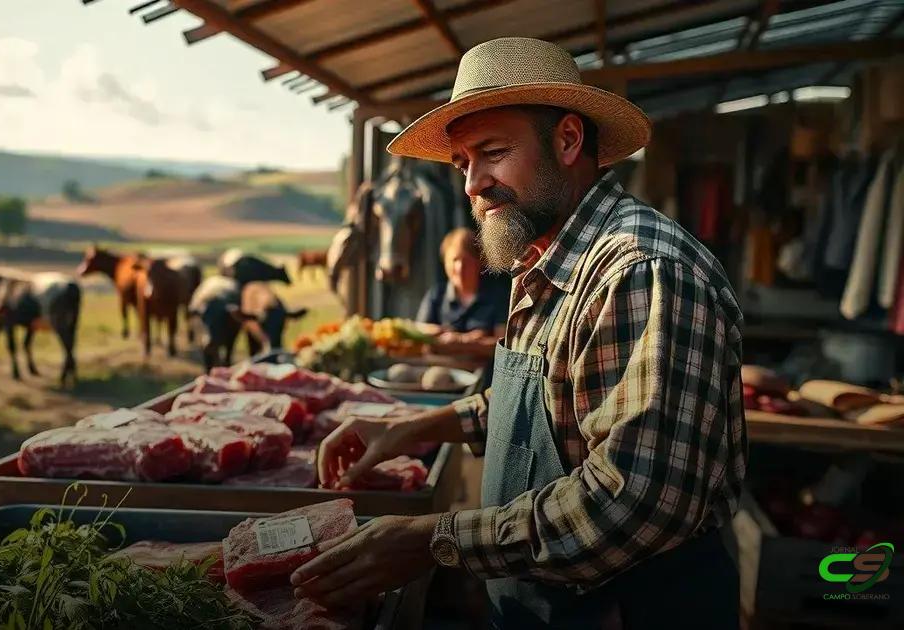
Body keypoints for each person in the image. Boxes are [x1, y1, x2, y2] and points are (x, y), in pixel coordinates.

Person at [293, 37, 745, 629]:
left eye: (493, 152)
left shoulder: (641, 271)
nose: (473, 185)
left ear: (567, 140)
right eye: (463, 164)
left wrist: (433, 539)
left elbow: (632, 505)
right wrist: (414, 427)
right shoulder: (545, 251)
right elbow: (549, 407)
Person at [415, 227, 509, 353]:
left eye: (466, 261)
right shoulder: (437, 294)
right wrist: (444, 332)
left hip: (479, 370)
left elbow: (502, 344)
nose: (459, 268)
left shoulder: (498, 296)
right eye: (454, 260)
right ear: (445, 263)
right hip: (439, 363)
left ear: (479, 263)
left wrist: (461, 341)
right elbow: (418, 330)